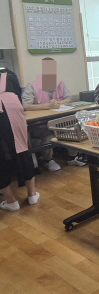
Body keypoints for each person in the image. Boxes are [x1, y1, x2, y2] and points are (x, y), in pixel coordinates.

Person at [22, 58, 83, 171]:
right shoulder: (32, 86)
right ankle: (48, 160)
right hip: (40, 123)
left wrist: (59, 103)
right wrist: (46, 106)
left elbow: (69, 99)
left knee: (74, 130)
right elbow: (25, 106)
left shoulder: (60, 83)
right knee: (48, 138)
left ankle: (72, 157)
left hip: (59, 120)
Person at [0, 68, 39, 211]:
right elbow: (19, 97)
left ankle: (11, 202)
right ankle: (32, 195)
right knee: (21, 149)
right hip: (12, 107)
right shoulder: (9, 74)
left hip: (9, 108)